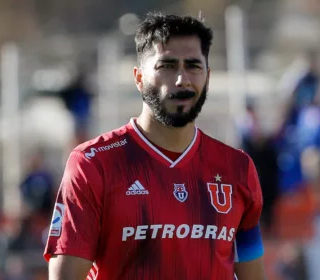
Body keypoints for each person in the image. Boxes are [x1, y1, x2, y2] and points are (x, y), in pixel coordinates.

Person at [44, 12, 266, 280]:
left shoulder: (237, 169)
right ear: (139, 78)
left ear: (208, 76)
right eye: (167, 66)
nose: (182, 79)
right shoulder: (93, 164)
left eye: (193, 66)